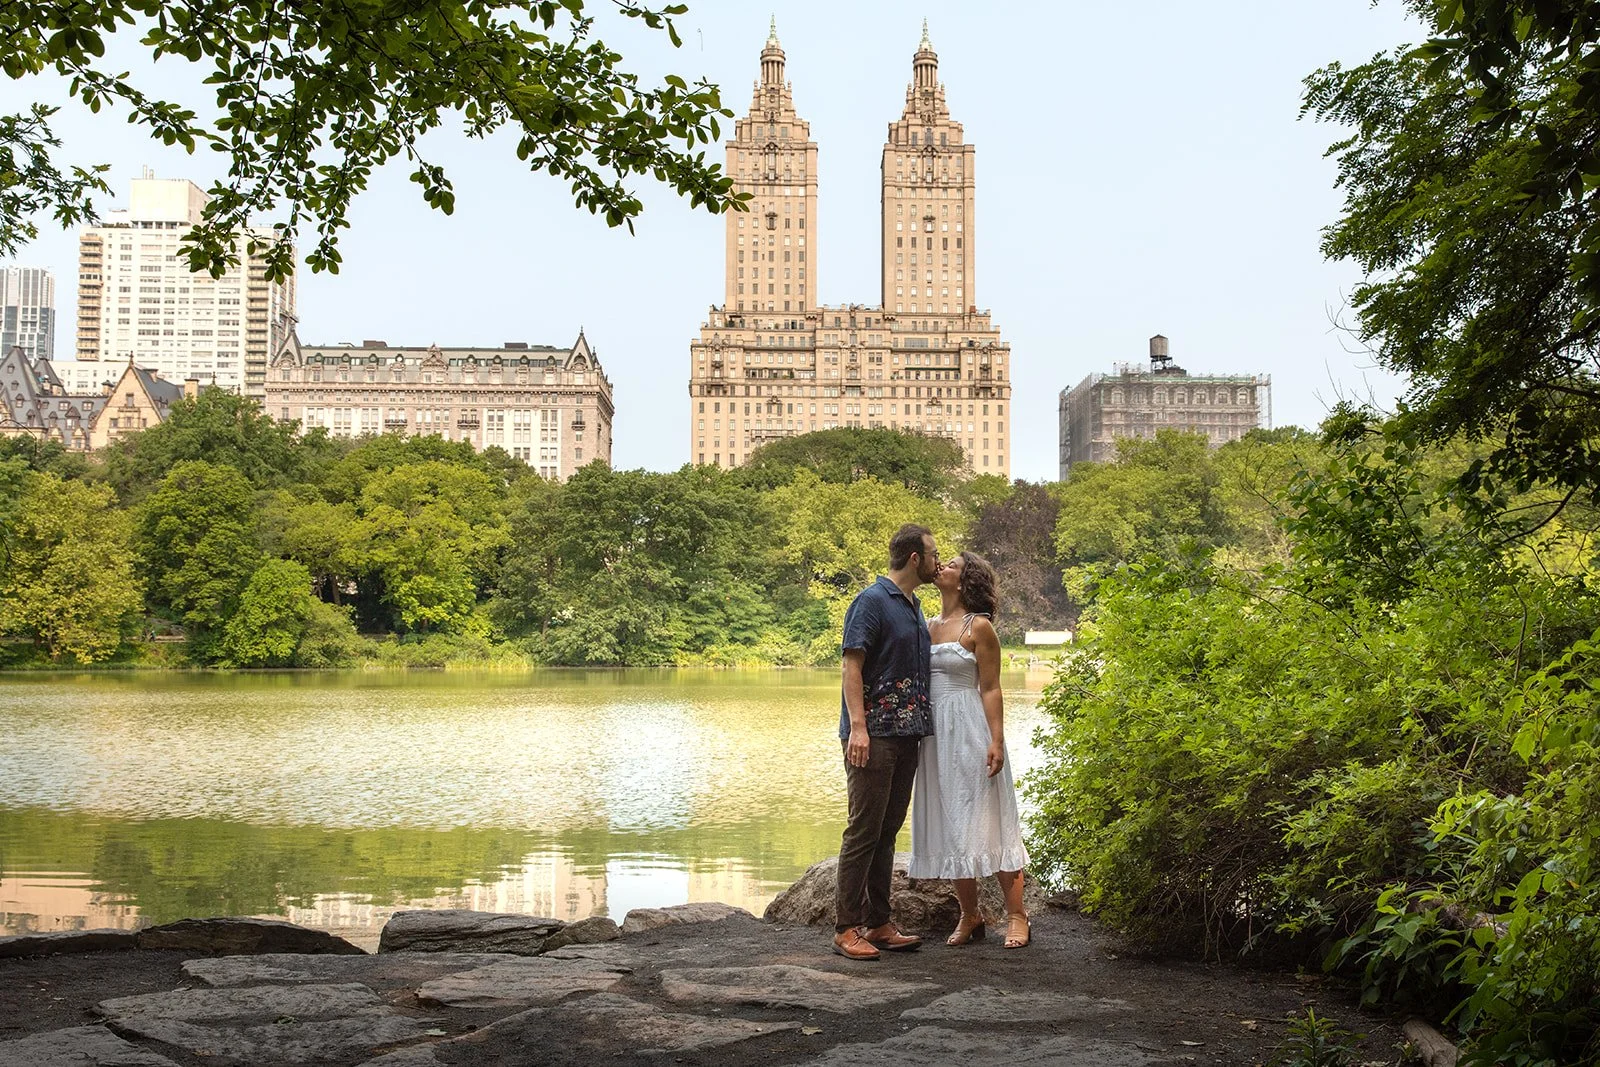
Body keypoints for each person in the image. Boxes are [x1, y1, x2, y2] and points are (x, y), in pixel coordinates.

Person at [909, 550, 1032, 949]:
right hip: (934, 734)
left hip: (970, 728)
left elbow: (991, 687)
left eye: (952, 566)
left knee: (990, 818)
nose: (942, 566)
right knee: (951, 819)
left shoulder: (978, 627)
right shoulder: (925, 624)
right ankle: (970, 915)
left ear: (964, 581)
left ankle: (1017, 915)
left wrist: (996, 740)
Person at [833, 523, 940, 961]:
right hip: (873, 736)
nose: (938, 560)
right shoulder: (871, 601)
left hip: (907, 735)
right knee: (863, 830)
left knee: (888, 831)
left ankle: (878, 922)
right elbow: (850, 667)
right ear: (914, 558)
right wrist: (858, 727)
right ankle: (845, 928)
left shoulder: (913, 606)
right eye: (933, 553)